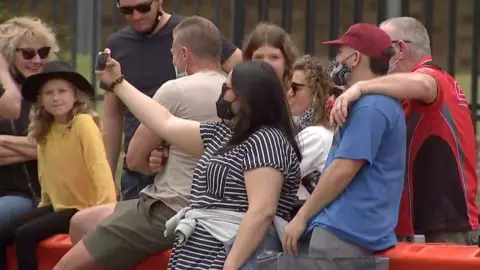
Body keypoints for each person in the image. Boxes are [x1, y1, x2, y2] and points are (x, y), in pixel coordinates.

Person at [60, 17, 226, 270]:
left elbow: (134, 159)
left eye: (172, 51)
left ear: (183, 53)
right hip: (219, 210)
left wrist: (154, 161)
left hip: (169, 209)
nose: (171, 59)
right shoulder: (236, 90)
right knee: (82, 221)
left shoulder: (175, 89)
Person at [331, 17, 479, 245]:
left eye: (383, 47)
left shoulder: (432, 77)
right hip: (435, 225)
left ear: (399, 49)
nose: (377, 54)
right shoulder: (405, 91)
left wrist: (359, 88)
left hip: (444, 230)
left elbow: (424, 85)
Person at [283, 23, 406, 258]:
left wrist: (301, 217)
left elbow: (342, 170)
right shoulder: (379, 103)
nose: (336, 59)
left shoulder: (371, 106)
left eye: (340, 52)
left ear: (355, 57)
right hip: (355, 232)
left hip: (343, 234)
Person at [104, 0, 242, 200]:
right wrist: (108, 176)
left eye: (143, 8)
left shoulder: (189, 33)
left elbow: (247, 76)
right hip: (137, 167)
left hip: (183, 168)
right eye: (126, 10)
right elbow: (111, 114)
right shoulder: (118, 43)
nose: (136, 16)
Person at [0, 60, 116, 270]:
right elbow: (46, 174)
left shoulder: (83, 123)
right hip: (55, 205)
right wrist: (42, 205)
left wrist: (104, 210)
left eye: (62, 91)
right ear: (40, 100)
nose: (55, 98)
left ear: (75, 95)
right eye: (48, 93)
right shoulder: (45, 129)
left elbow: (99, 167)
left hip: (83, 207)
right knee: (3, 232)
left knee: (26, 236)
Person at [0, 17, 59, 222]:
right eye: (28, 53)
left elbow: (58, 146)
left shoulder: (54, 94)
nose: (37, 60)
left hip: (32, 195)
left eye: (42, 52)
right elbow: (44, 146)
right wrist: (36, 148)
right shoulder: (6, 99)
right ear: (7, 55)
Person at [286, 55, 334, 199]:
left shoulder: (315, 135)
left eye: (296, 88)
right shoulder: (324, 132)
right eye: (289, 87)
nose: (289, 93)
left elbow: (275, 178)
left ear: (316, 93)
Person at [242, 22, 299, 90]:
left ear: (286, 62)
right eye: (258, 57)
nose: (266, 63)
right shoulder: (237, 96)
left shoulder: (298, 98)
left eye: (274, 57)